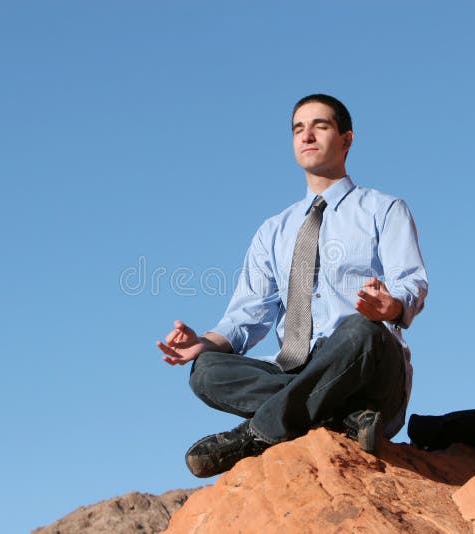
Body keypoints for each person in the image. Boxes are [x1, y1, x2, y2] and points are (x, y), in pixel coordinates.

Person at [156, 94, 428, 478]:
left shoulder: (383, 209)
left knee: (360, 328)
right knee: (205, 371)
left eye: (320, 126)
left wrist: (393, 306)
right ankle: (340, 420)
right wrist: (205, 343)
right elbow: (248, 314)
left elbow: (411, 280)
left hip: (369, 369)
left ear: (347, 139)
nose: (307, 136)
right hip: (298, 372)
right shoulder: (273, 231)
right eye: (298, 129)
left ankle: (256, 434)